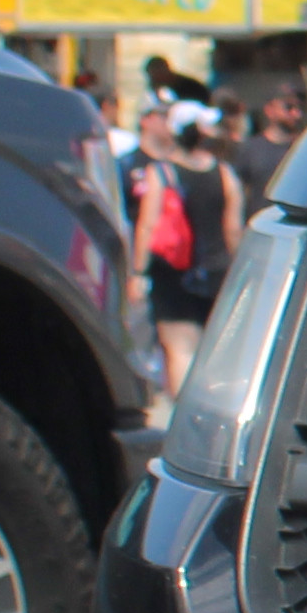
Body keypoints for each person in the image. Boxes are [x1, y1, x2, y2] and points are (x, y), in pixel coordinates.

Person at [131, 97, 236, 398]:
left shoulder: (161, 174)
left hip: (173, 273)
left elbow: (147, 225)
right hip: (218, 272)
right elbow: (232, 227)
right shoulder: (224, 173)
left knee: (180, 350)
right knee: (217, 352)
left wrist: (139, 272)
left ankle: (184, 421)